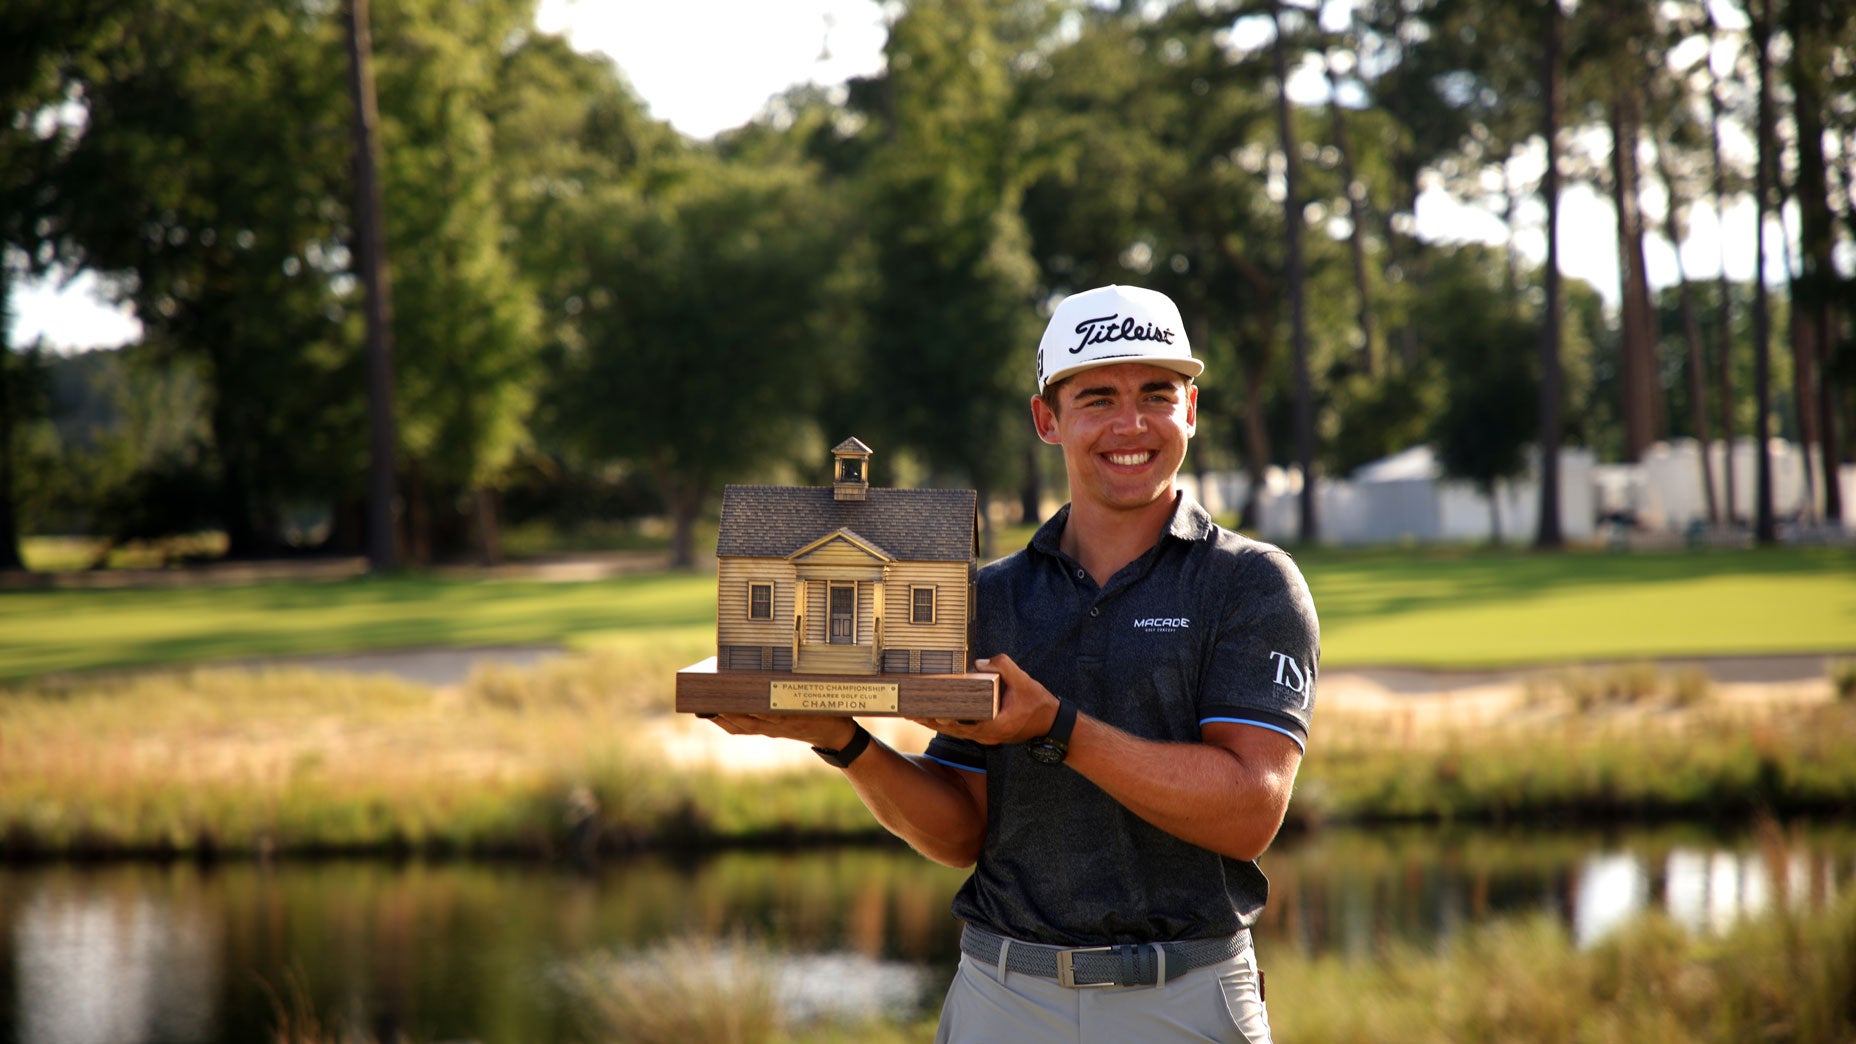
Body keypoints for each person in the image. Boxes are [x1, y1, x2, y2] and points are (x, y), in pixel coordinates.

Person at [710, 284, 1319, 1043]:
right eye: (1097, 398)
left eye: (1156, 394)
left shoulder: (1251, 582)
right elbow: (962, 832)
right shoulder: (989, 596)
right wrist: (843, 740)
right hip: (1004, 998)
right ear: (1047, 419)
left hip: (1185, 997)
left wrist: (1055, 727)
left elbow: (1248, 811)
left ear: (1190, 411)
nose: (1131, 424)